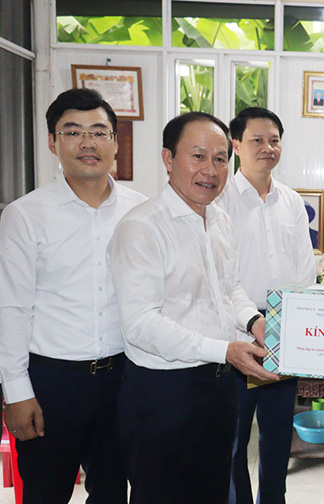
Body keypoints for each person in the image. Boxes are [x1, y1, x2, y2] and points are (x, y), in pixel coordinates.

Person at [108, 112, 278, 504]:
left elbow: (229, 286)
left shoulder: (219, 220)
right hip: (162, 394)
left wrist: (253, 321)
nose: (211, 170)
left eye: (220, 158)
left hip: (218, 388)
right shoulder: (142, 227)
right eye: (198, 156)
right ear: (168, 159)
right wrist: (225, 350)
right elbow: (141, 325)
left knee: (214, 490)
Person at [0, 88, 146, 503]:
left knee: (114, 493)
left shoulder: (139, 211)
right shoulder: (25, 215)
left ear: (115, 143)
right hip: (51, 383)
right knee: (45, 493)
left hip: (123, 378)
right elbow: (10, 308)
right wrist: (16, 392)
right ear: (52, 142)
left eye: (99, 132)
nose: (87, 143)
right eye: (72, 132)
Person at [215, 107, 315, 504]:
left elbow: (305, 270)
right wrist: (251, 321)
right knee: (233, 440)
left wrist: (300, 327)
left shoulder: (290, 200)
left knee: (277, 438)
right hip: (236, 333)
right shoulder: (219, 198)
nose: (267, 148)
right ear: (236, 144)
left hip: (284, 333)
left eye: (274, 140)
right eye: (257, 139)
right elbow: (222, 277)